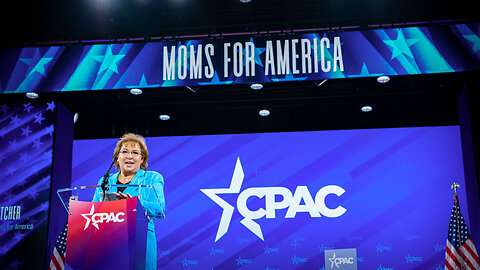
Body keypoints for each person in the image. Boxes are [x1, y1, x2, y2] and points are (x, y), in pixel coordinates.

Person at [92, 133, 165, 270]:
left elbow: (160, 209)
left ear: (142, 159)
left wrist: (135, 203)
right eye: (124, 151)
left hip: (140, 241)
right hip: (109, 242)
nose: (129, 156)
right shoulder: (104, 181)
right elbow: (94, 211)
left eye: (135, 152)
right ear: (117, 158)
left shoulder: (152, 178)